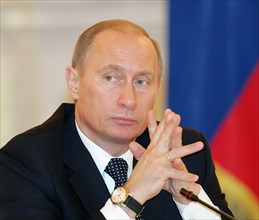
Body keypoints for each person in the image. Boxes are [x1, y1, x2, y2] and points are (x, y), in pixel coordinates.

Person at [0, 19, 233, 220]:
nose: (129, 100)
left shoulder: (184, 152)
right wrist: (131, 197)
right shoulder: (26, 161)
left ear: (158, 88)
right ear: (74, 82)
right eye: (111, 78)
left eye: (142, 81)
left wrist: (188, 200)